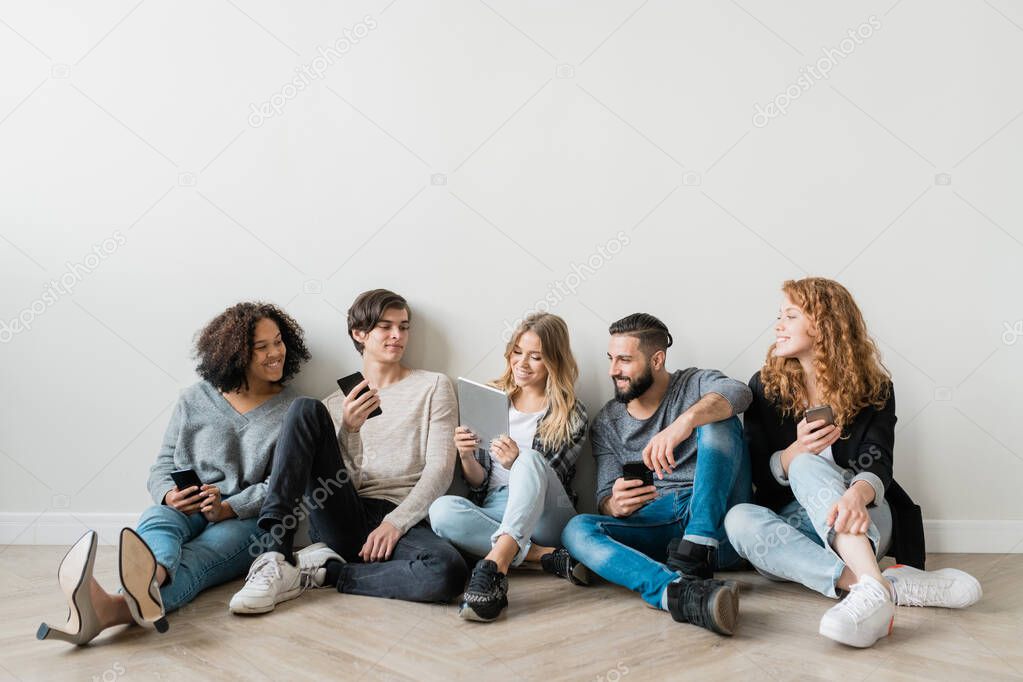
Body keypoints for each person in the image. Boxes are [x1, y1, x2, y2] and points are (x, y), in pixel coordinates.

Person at [724, 277, 981, 648]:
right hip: (799, 534)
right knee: (739, 518)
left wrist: (856, 496)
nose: (778, 326)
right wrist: (794, 451)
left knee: (807, 467)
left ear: (823, 324)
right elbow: (757, 471)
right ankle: (877, 584)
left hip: (865, 516)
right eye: (779, 316)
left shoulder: (874, 388)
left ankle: (868, 586)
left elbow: (879, 461)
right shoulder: (765, 387)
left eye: (791, 316)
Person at [37, 302, 309, 645]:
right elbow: (162, 464)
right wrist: (169, 494)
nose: (276, 353)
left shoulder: (295, 410)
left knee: (197, 558)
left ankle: (111, 607)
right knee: (157, 518)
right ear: (235, 353)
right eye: (262, 346)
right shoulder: (195, 399)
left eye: (279, 341)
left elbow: (281, 486)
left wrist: (227, 508)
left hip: (247, 520)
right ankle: (149, 580)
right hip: (189, 504)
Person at [229, 289, 467, 613]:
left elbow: (440, 470)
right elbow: (346, 484)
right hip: (343, 513)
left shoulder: (433, 386)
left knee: (449, 571)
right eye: (385, 326)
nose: (397, 335)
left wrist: (396, 523)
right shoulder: (334, 405)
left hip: (402, 516)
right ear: (360, 333)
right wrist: (350, 430)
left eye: (404, 326)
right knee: (303, 409)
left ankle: (329, 572)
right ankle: (275, 555)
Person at [561, 313, 753, 636]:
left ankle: (698, 546)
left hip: (719, 519)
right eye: (611, 359)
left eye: (624, 360)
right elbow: (604, 496)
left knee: (721, 417)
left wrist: (685, 422)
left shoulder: (694, 384)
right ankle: (677, 592)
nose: (613, 371)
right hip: (664, 528)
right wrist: (613, 504)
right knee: (576, 529)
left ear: (657, 359)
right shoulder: (608, 422)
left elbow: (739, 392)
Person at [429, 313, 590, 621]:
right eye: (518, 352)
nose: (522, 363)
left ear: (554, 362)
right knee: (440, 510)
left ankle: (495, 565)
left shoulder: (571, 412)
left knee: (528, 459)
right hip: (494, 508)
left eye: (536, 357)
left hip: (545, 514)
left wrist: (516, 462)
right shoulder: (492, 396)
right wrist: (465, 456)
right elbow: (478, 484)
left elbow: (546, 475)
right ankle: (543, 558)